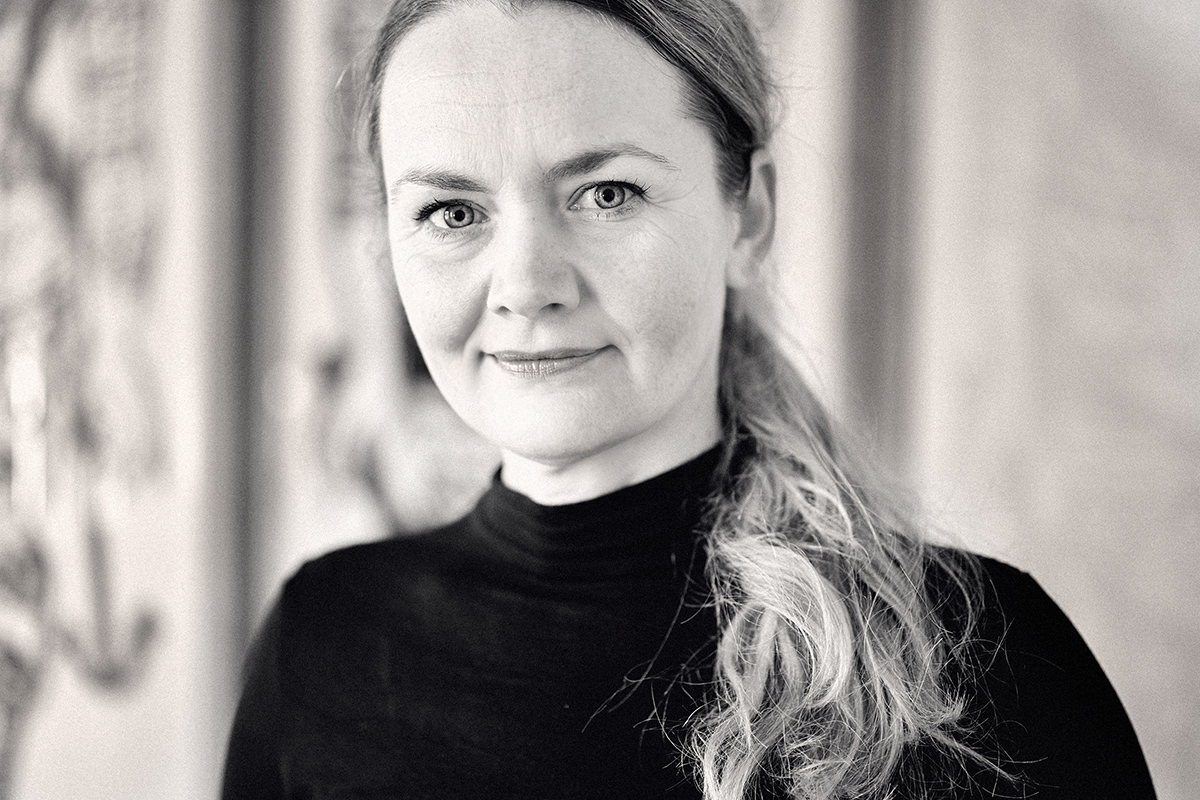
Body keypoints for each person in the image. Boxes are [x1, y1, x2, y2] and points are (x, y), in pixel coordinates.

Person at [222, 1, 1157, 798]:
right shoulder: (323, 640)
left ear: (748, 218)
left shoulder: (979, 664)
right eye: (452, 212)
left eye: (607, 194)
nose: (527, 287)